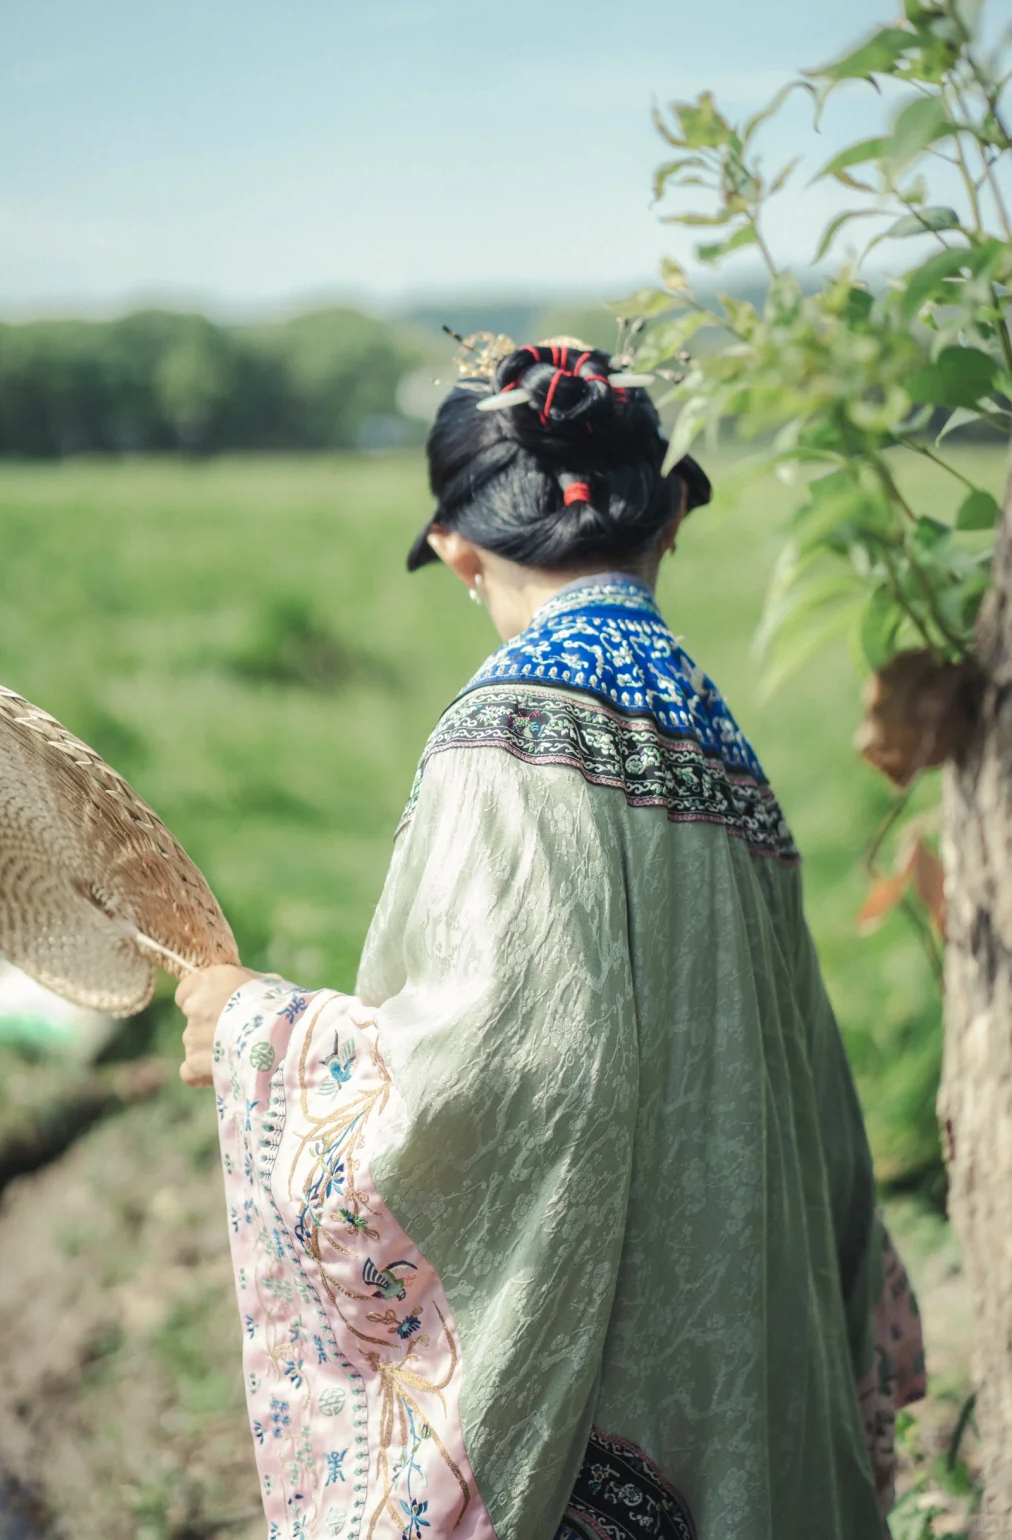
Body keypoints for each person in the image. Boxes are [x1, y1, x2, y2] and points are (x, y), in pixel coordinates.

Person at [176, 338, 925, 1540]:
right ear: (670, 523)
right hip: (735, 1386)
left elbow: (485, 1078)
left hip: (599, 1402)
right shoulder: (730, 761)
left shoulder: (505, 731)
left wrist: (267, 1031)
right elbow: (823, 1118)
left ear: (462, 550)